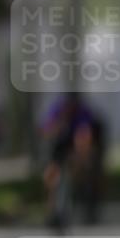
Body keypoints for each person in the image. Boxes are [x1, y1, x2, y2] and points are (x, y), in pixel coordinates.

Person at [41, 93, 107, 229]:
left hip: (80, 147)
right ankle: (52, 213)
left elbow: (84, 138)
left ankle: (89, 207)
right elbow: (47, 132)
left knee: (87, 174)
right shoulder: (57, 110)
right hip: (58, 146)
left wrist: (80, 159)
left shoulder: (83, 114)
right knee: (52, 179)